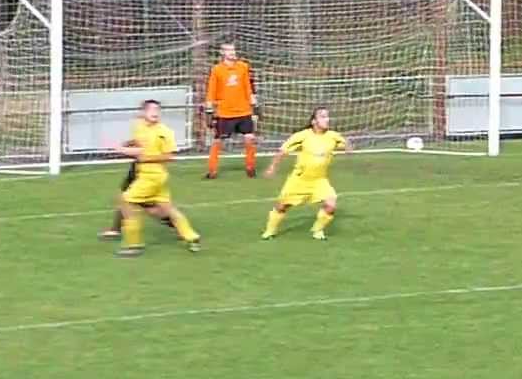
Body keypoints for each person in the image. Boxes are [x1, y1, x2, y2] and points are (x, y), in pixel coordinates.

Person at [113, 99, 202, 257]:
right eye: (151, 110)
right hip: (152, 177)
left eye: (157, 110)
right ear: (143, 113)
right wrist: (124, 147)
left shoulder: (165, 132)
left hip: (152, 177)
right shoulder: (138, 126)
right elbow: (140, 145)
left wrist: (144, 158)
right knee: (168, 208)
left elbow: (169, 156)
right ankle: (192, 237)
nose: (155, 113)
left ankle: (133, 244)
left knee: (125, 201)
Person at [261, 106, 352, 241]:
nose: (327, 119)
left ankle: (317, 230)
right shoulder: (302, 136)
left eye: (327, 116)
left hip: (319, 180)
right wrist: (272, 167)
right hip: (299, 180)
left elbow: (347, 146)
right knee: (282, 206)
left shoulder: (332, 136)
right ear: (314, 121)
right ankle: (270, 230)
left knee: (331, 204)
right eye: (322, 116)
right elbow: (283, 151)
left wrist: (347, 146)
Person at [203, 41, 259, 179]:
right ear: (222, 53)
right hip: (225, 112)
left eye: (233, 50)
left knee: (249, 139)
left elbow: (248, 85)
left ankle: (250, 167)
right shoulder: (217, 70)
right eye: (229, 50)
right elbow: (212, 90)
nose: (232, 53)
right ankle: (212, 170)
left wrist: (253, 100)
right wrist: (209, 107)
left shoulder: (243, 67)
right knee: (218, 141)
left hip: (244, 110)